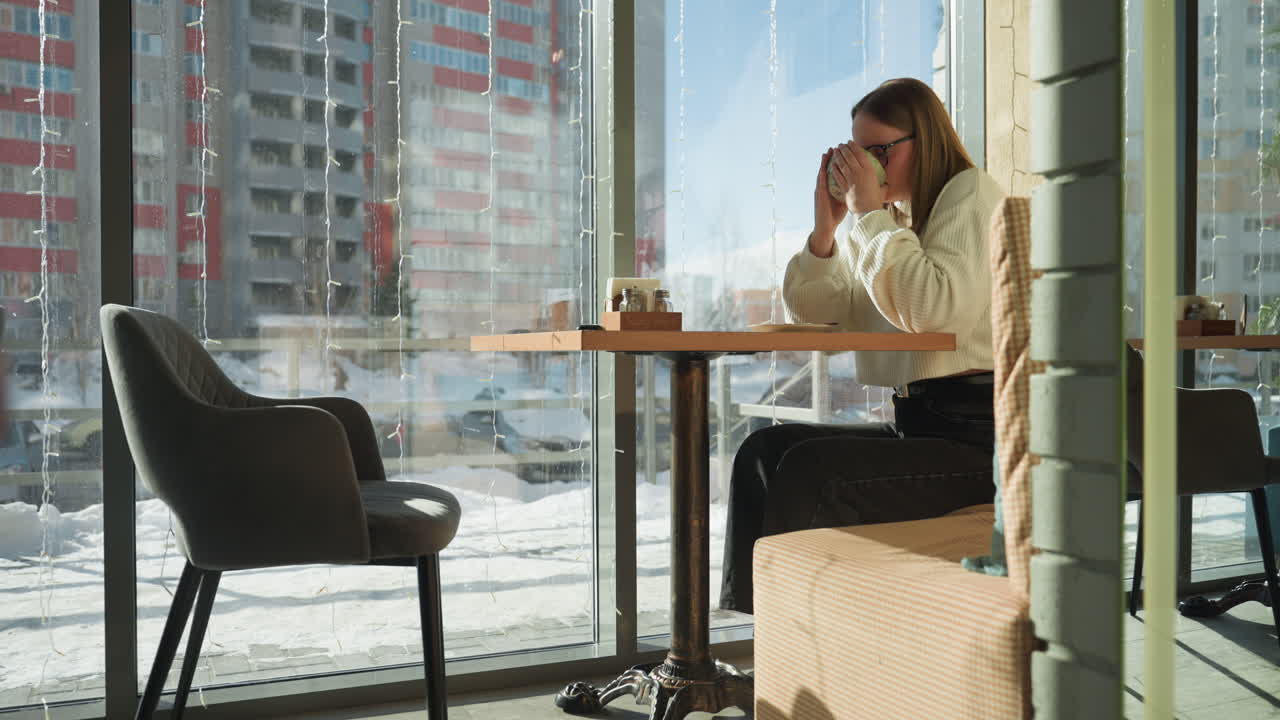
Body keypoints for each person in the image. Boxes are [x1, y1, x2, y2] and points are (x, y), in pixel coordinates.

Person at [720, 78, 1006, 614]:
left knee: (811, 470)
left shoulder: (970, 195)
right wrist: (826, 230)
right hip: (918, 423)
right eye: (857, 152)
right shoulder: (891, 224)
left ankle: (793, 632)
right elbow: (818, 309)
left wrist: (869, 215)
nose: (865, 166)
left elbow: (931, 309)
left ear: (924, 141)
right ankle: (759, 628)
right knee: (764, 451)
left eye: (878, 151)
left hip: (980, 436)